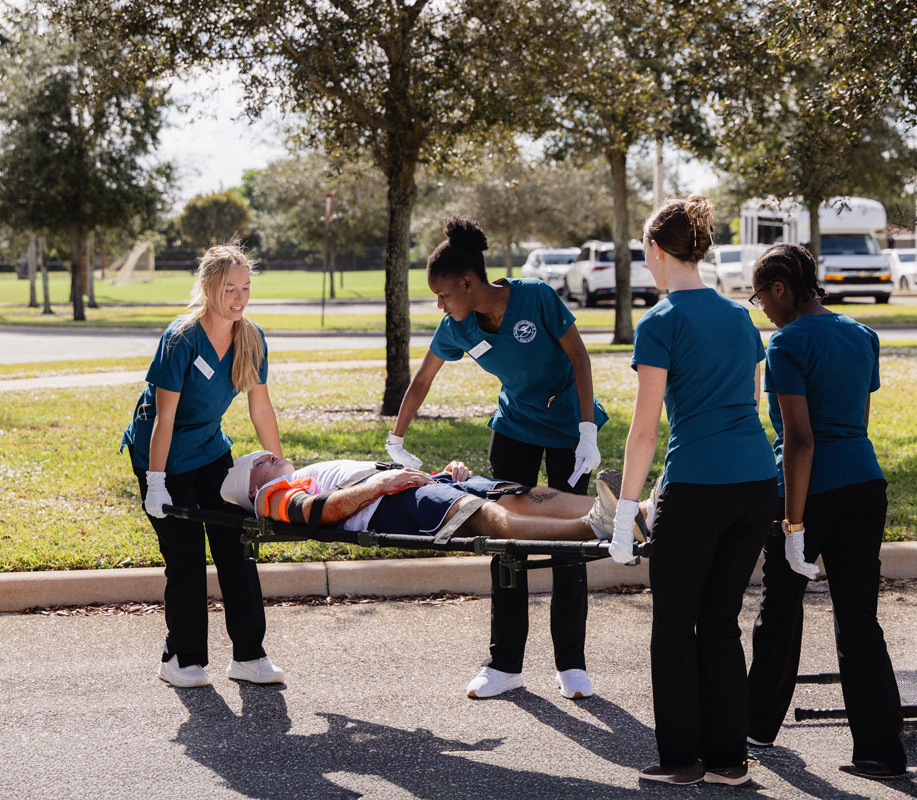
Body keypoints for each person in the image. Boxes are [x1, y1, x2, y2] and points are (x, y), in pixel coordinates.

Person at [387, 216, 608, 701]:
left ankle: (571, 663)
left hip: (570, 428)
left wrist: (587, 431)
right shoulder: (457, 327)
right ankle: (505, 664)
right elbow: (423, 379)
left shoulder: (535, 298)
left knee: (572, 537)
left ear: (468, 282)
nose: (439, 305)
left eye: (443, 295)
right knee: (505, 536)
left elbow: (579, 358)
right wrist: (395, 437)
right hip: (513, 430)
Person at [605, 196, 777, 786]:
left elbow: (646, 429)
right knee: (721, 620)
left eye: (645, 254)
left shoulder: (660, 321)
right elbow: (747, 405)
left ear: (655, 250)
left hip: (698, 488)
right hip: (756, 483)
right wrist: (660, 487)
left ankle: (681, 760)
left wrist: (626, 514)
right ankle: (730, 760)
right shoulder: (739, 318)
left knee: (676, 625)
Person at [744, 244, 907, 781]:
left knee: (781, 609)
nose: (762, 308)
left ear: (781, 288)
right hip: (866, 481)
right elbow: (855, 422)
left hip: (809, 489)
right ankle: (880, 752)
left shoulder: (788, 341)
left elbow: (800, 440)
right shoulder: (863, 334)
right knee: (859, 617)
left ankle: (757, 728)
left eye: (761, 295)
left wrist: (793, 524)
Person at [120, 243, 286, 689]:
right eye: (229, 288)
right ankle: (181, 658)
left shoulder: (251, 337)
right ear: (209, 287)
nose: (239, 297)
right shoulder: (181, 338)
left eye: (245, 287)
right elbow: (163, 417)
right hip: (164, 456)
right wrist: (156, 483)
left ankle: (250, 655)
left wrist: (283, 468)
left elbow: (261, 409)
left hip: (211, 451)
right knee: (187, 556)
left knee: (235, 547)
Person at [219, 451, 650, 542]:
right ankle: (593, 527)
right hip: (384, 506)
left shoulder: (291, 476)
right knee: (479, 514)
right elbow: (320, 513)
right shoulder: (269, 498)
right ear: (252, 487)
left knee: (517, 493)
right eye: (258, 461)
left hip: (410, 485)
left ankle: (637, 511)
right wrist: (380, 487)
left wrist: (439, 476)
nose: (268, 455)